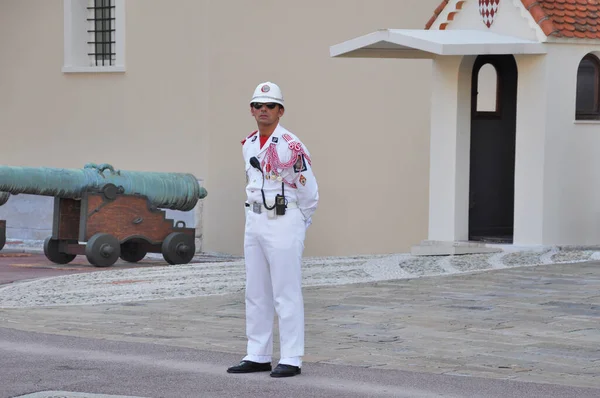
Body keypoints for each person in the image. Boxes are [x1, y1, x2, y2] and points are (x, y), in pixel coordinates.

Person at [227, 81, 319, 378]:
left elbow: (308, 191)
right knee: (256, 291)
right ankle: (258, 353)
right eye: (257, 106)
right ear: (251, 110)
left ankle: (291, 357)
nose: (262, 111)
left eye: (269, 106)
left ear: (280, 111)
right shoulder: (250, 143)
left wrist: (299, 222)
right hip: (254, 220)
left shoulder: (291, 146)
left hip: (283, 218)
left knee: (285, 290)